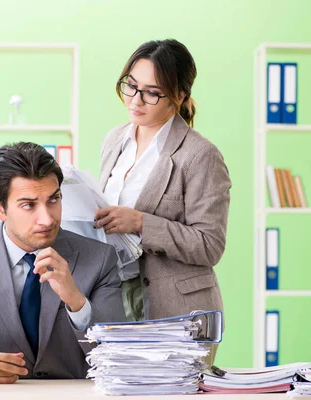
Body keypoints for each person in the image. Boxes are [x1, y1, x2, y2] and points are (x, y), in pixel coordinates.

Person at [95, 39, 231, 361]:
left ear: (179, 96)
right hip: (119, 300)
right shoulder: (114, 140)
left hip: (179, 311)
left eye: (152, 93)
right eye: (130, 86)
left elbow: (210, 244)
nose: (136, 100)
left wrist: (142, 223)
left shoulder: (200, 156)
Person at [0, 142, 125, 383]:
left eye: (53, 200)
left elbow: (117, 357)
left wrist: (76, 300)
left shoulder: (100, 259)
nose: (47, 219)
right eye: (29, 205)